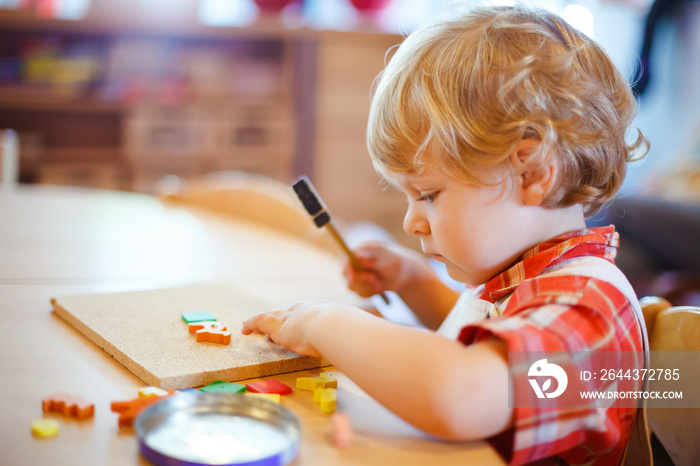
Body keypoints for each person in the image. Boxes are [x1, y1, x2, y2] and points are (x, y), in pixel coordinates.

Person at [242, 5, 649, 465]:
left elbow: (463, 392)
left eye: (430, 195)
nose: (410, 223)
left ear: (533, 172)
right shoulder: (529, 275)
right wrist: (413, 283)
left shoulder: (588, 309)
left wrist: (328, 324)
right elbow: (481, 335)